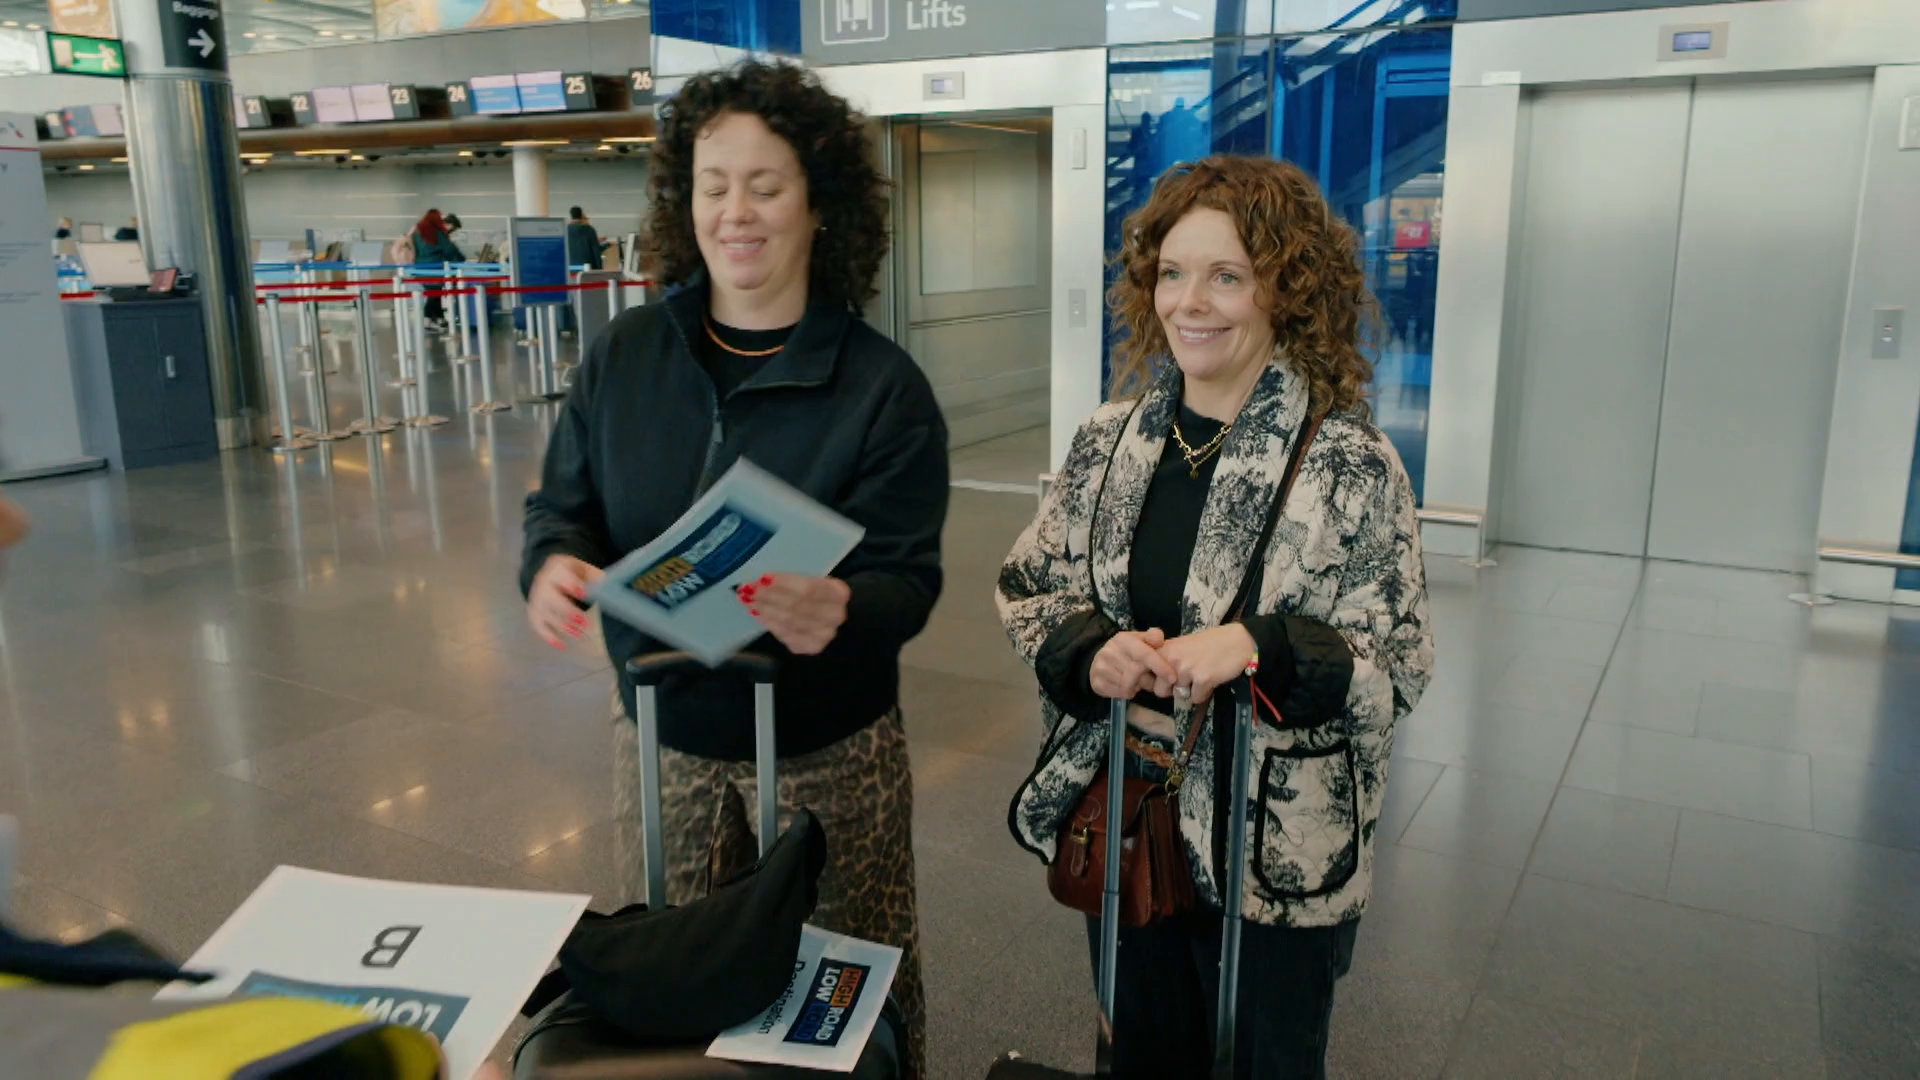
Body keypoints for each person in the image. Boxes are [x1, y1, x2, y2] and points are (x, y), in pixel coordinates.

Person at [520, 60, 947, 1080]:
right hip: (664, 736)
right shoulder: (627, 355)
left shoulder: (880, 388)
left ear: (820, 205)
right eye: (714, 186)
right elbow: (562, 506)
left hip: (828, 749)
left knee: (846, 987)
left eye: (765, 186)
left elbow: (908, 578)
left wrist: (843, 604)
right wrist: (553, 563)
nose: (735, 213)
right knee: (675, 976)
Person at [997, 156, 1434, 1079]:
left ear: (1287, 290)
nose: (1190, 302)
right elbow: (1031, 584)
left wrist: (1261, 646)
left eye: (1227, 275)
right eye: (1173, 273)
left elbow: (1397, 665)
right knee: (1139, 1052)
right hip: (1130, 817)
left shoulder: (1351, 463)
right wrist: (1090, 653)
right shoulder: (1108, 441)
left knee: (1265, 1059)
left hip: (1272, 846)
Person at [410, 208, 466, 331]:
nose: (451, 231)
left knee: (435, 292)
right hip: (434, 267)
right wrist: (460, 259)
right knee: (434, 294)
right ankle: (427, 320)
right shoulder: (438, 232)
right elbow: (449, 250)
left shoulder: (418, 231)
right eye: (452, 229)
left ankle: (439, 318)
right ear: (448, 224)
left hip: (420, 267)